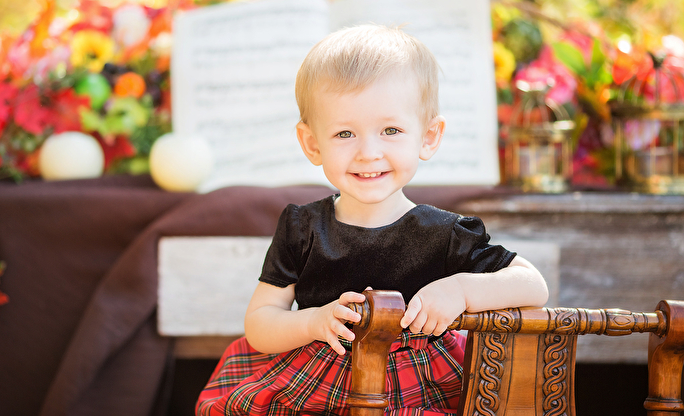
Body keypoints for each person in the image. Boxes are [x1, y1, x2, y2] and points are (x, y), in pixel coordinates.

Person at [196, 24, 549, 416]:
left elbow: (533, 284)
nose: (368, 152)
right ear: (312, 143)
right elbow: (260, 324)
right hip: (313, 386)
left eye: (390, 130)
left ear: (428, 136)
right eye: (345, 133)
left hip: (417, 391)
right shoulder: (303, 228)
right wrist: (313, 322)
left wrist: (461, 291)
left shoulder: (446, 234)